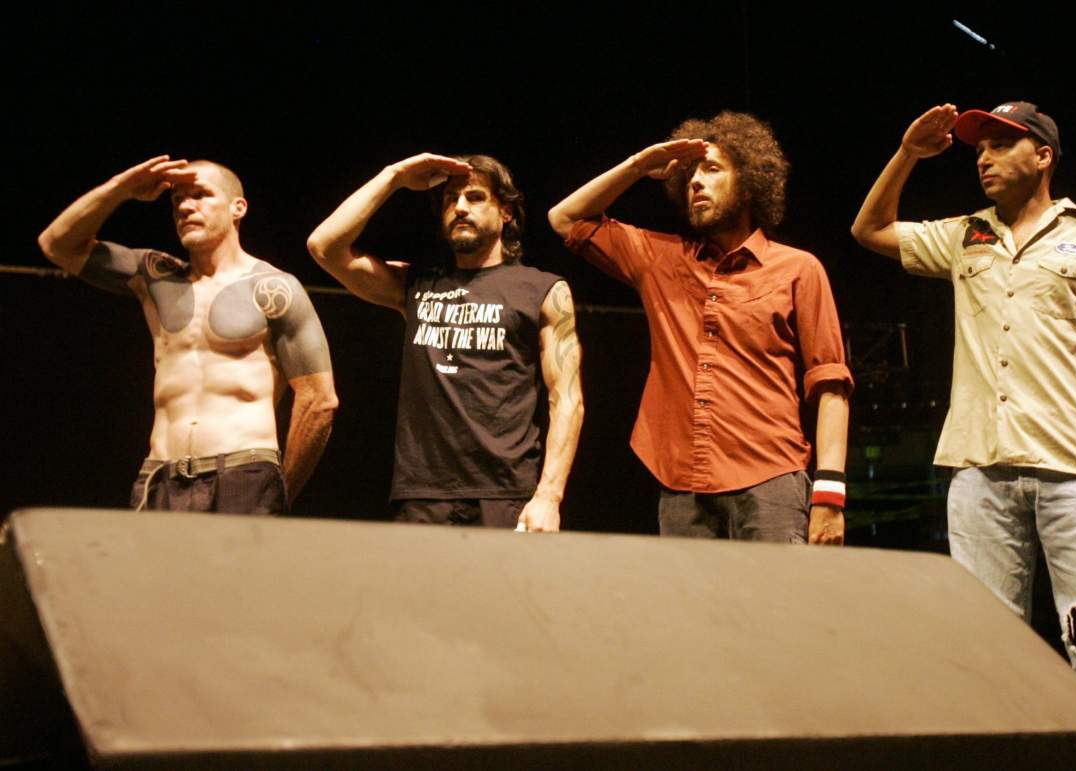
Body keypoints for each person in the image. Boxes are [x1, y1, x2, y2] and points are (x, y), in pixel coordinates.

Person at [850, 102, 1076, 724]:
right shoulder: (966, 233)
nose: (983, 158)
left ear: (1043, 155)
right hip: (979, 467)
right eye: (978, 149)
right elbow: (869, 229)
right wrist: (909, 152)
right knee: (986, 641)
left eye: (999, 145)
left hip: (1075, 465)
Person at [549, 111, 853, 544]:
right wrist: (639, 165)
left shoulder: (798, 269)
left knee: (778, 611)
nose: (695, 182)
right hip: (681, 484)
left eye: (712, 169)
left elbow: (831, 385)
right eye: (691, 174)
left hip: (771, 480)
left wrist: (829, 493)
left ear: (748, 184)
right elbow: (564, 218)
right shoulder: (661, 259)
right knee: (693, 612)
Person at [38, 156, 338, 514]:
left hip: (244, 472)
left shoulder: (274, 288)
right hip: (160, 476)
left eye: (200, 194)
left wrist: (278, 491)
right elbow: (57, 244)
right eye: (177, 199)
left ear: (237, 208)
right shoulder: (155, 277)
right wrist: (121, 188)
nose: (185, 206)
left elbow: (319, 401)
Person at [308, 154, 582, 531]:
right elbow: (324, 246)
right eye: (451, 199)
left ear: (506, 212)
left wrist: (549, 496)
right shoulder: (416, 286)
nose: (460, 208)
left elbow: (567, 399)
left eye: (475, 197)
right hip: (422, 494)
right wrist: (394, 176)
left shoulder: (543, 290)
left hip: (504, 495)